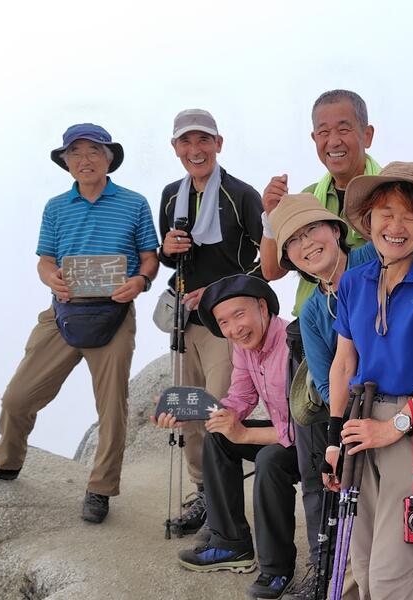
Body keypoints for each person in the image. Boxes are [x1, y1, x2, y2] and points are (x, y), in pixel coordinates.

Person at [0, 123, 159, 523]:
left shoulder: (134, 203)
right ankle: (7, 458)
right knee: (17, 396)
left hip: (115, 312)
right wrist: (51, 277)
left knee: (112, 408)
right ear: (66, 162)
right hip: (62, 310)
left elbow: (148, 255)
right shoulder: (55, 207)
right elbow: (46, 259)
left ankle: (100, 488)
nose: (85, 160)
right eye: (75, 153)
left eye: (93, 152)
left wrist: (140, 280)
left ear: (108, 158)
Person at [324, 162, 413, 599]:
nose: (395, 225)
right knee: (360, 559)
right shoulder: (353, 281)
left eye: (410, 214)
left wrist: (394, 427)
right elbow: (343, 364)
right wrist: (335, 438)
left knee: (399, 571)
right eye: (385, 211)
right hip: (360, 420)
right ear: (368, 219)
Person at [157, 275, 299, 600]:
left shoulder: (294, 343)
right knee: (219, 436)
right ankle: (231, 543)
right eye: (224, 322)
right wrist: (200, 413)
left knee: (270, 459)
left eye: (239, 315)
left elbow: (303, 426)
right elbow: (240, 398)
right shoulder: (244, 348)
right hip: (283, 429)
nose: (234, 328)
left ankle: (277, 569)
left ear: (262, 307)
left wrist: (246, 432)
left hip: (315, 440)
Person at [157, 108, 263, 534]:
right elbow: (169, 258)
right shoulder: (169, 195)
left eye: (204, 140)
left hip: (225, 325)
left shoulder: (240, 195)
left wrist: (220, 293)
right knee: (189, 411)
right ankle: (204, 493)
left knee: (218, 411)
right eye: (186, 141)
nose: (195, 149)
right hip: (186, 323)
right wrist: (166, 247)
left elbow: (269, 262)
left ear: (219, 144)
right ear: (175, 148)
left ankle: (222, 506)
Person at [269, 193, 377, 599]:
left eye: (312, 229)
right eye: (293, 241)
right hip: (352, 413)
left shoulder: (371, 258)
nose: (306, 244)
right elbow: (325, 374)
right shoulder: (314, 310)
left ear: (336, 230)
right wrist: (340, 435)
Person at [259, 89, 379, 317]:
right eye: (323, 132)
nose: (333, 141)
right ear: (314, 138)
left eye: (344, 130)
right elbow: (271, 271)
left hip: (372, 323)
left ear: (367, 135)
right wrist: (272, 216)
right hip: (311, 326)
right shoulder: (309, 198)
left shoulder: (390, 193)